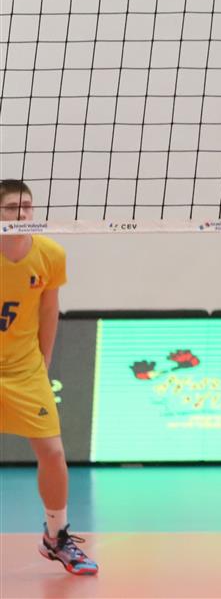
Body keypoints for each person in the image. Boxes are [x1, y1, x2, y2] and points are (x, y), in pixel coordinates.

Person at [0, 180, 97, 576]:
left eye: (27, 206)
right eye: (12, 208)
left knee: (54, 453)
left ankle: (56, 537)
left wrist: (43, 358)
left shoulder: (51, 254)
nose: (22, 214)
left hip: (25, 370)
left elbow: (48, 309)